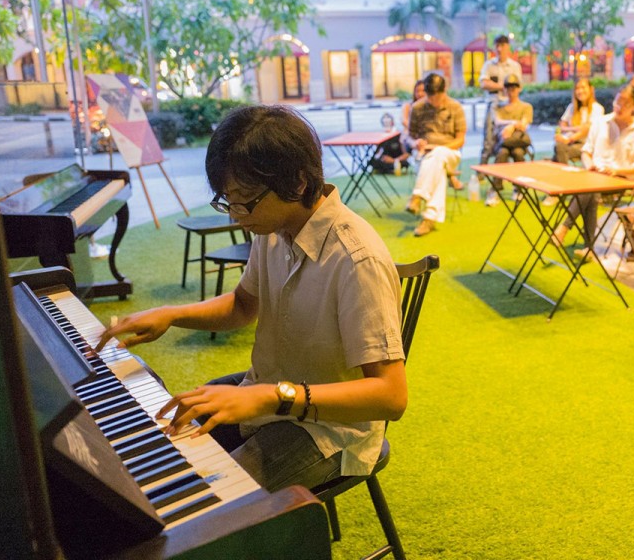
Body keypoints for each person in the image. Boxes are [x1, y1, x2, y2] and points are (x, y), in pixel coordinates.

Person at [95, 105, 407, 493]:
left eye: (244, 200)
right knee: (175, 434)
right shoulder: (272, 229)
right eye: (227, 199)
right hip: (271, 391)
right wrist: (171, 314)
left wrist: (273, 397)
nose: (235, 215)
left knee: (213, 496)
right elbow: (243, 305)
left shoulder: (356, 260)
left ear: (297, 182)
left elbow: (391, 396)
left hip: (331, 428)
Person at [551, 85, 634, 262]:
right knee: (592, 189)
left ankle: (564, 228)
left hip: (621, 178)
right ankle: (589, 248)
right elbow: (586, 151)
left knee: (590, 188)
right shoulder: (602, 122)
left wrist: (616, 170)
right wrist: (590, 166)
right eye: (617, 102)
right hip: (596, 175)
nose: (619, 107)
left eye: (625, 104)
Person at [406, 72, 467, 237]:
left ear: (444, 91)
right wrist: (415, 143)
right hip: (424, 156)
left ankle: (418, 195)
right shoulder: (417, 108)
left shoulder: (455, 107)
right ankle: (429, 218)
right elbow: (409, 136)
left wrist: (439, 147)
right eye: (430, 97)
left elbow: (460, 140)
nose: (433, 101)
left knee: (439, 153)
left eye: (437, 97)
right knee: (438, 169)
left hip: (450, 153)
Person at [486, 73, 534, 206]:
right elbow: (497, 121)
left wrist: (510, 127)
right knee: (502, 153)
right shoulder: (498, 106)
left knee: (518, 153)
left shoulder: (526, 106)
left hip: (518, 142)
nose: (511, 91)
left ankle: (519, 188)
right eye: (508, 88)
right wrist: (513, 123)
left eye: (513, 88)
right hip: (503, 143)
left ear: (519, 88)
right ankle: (496, 189)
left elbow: (524, 124)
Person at [478, 35, 523, 167]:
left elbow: (519, 86)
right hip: (494, 105)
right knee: (488, 139)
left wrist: (499, 88)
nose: (499, 49)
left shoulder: (514, 66)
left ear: (507, 47)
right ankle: (482, 170)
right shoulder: (489, 65)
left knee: (510, 138)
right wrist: (502, 86)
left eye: (502, 45)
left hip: (510, 106)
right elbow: (483, 83)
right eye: (497, 45)